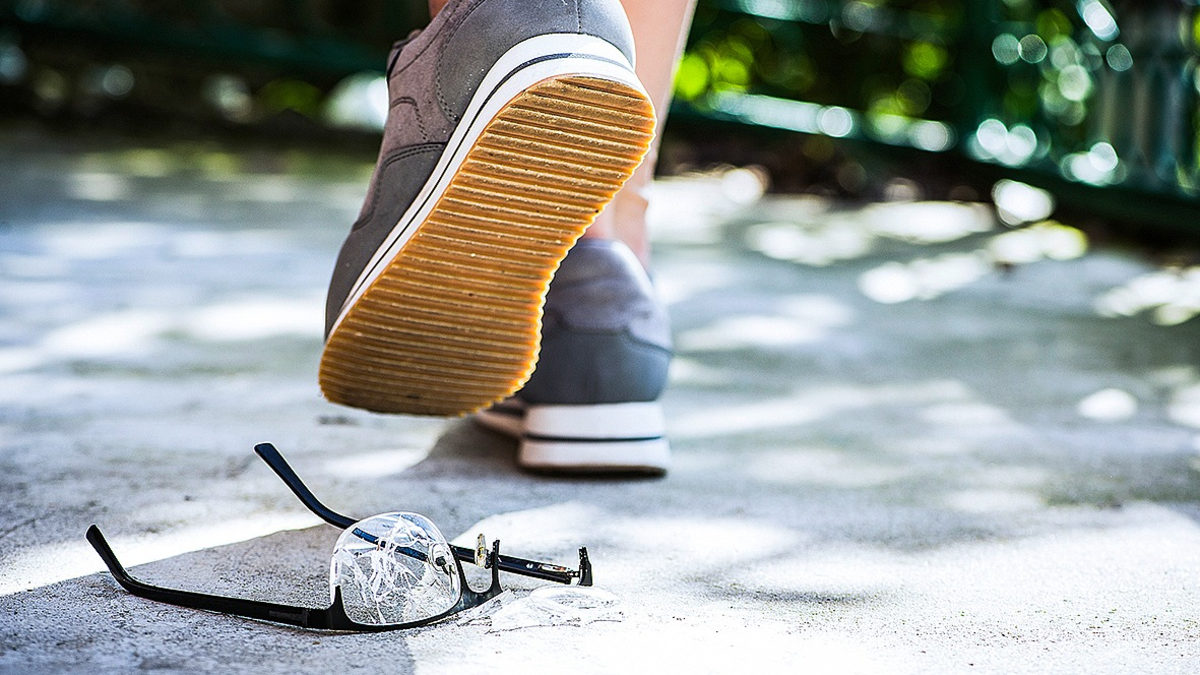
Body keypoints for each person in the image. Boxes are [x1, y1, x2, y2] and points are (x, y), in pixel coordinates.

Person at [320, 0, 696, 475]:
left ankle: (497, 20)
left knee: (513, 12)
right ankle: (610, 272)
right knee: (613, 221)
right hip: (633, 337)